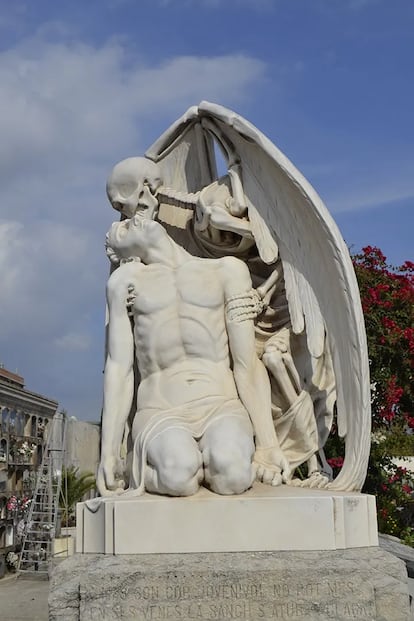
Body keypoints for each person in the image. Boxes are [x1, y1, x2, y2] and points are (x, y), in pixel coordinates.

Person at [97, 216, 290, 497]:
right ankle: (137, 467)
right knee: (178, 475)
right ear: (126, 255)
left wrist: (268, 445)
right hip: (161, 411)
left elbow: (247, 363)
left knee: (233, 475)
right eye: (122, 230)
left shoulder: (227, 271)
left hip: (221, 405)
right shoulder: (125, 282)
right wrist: (110, 451)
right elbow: (119, 368)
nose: (134, 219)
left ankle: (208, 463)